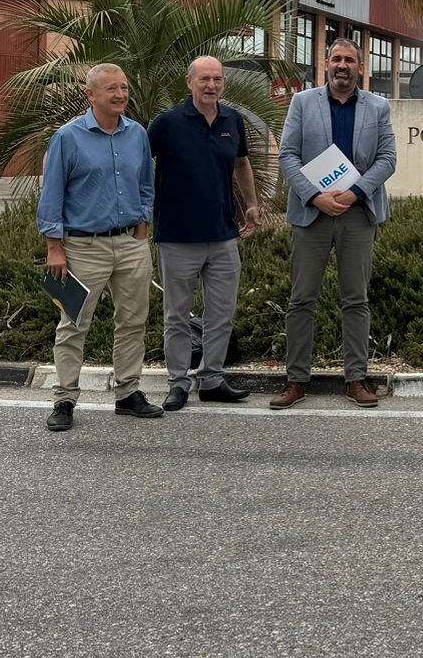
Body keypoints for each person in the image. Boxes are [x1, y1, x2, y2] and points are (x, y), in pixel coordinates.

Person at [37, 62, 160, 432]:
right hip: (79, 247)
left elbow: (146, 183)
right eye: (112, 89)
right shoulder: (68, 137)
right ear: (91, 95)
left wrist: (143, 223)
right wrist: (54, 248)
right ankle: (64, 399)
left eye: (124, 87)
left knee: (133, 320)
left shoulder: (137, 133)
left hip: (131, 244)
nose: (121, 94)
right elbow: (51, 194)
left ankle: (127, 393)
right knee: (73, 323)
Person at [275, 39, 397, 409]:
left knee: (356, 299)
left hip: (358, 214)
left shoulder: (377, 107)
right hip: (312, 214)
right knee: (301, 299)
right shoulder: (303, 102)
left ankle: (356, 379)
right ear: (326, 63)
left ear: (361, 67)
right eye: (336, 59)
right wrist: (316, 196)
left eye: (350, 60)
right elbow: (288, 154)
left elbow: (388, 158)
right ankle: (296, 380)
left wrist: (355, 192)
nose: (342, 65)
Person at [148, 55, 262, 411]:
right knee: (177, 315)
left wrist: (252, 204)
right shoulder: (167, 123)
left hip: (223, 234)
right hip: (177, 236)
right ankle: (178, 381)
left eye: (217, 80)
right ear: (189, 83)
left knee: (221, 312)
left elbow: (242, 163)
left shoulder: (233, 120)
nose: (211, 85)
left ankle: (212, 378)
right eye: (204, 79)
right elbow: (138, 166)